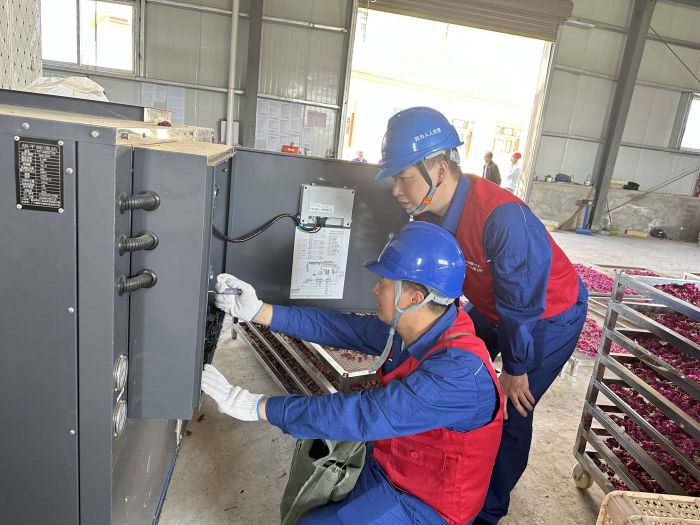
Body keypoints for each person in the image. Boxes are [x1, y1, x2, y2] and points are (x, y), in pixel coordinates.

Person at [202, 222, 502, 525]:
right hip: (388, 465)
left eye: (383, 283)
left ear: (413, 298)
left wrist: (257, 406)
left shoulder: (458, 374)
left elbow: (365, 415)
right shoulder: (417, 327)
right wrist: (259, 311)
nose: (375, 289)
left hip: (424, 504)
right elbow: (340, 327)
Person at [376, 107, 588, 524]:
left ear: (439, 169)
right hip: (495, 307)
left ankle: (488, 512)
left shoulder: (501, 217)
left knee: (509, 407)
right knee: (439, 359)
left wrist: (516, 368)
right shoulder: (430, 213)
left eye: (403, 177)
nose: (396, 190)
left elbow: (521, 305)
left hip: (547, 315)